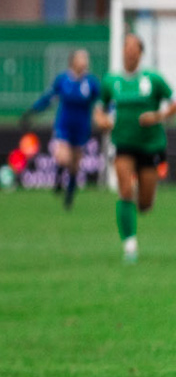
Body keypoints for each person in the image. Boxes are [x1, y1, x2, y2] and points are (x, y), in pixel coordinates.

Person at [96, 32, 173, 263]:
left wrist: (158, 116)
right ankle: (129, 246)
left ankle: (144, 195)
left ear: (140, 53)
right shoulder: (111, 81)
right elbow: (99, 109)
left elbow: (173, 103)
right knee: (125, 190)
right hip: (123, 145)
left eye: (134, 48)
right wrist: (102, 120)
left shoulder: (154, 79)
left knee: (145, 204)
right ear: (121, 51)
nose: (129, 51)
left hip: (150, 145)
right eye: (126, 47)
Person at [25, 49, 99, 208]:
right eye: (81, 58)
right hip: (64, 125)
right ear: (73, 61)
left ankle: (69, 195)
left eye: (86, 58)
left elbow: (102, 101)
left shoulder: (91, 82)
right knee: (63, 157)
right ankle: (58, 179)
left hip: (82, 127)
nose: (85, 62)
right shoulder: (63, 80)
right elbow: (49, 98)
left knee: (74, 164)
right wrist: (33, 111)